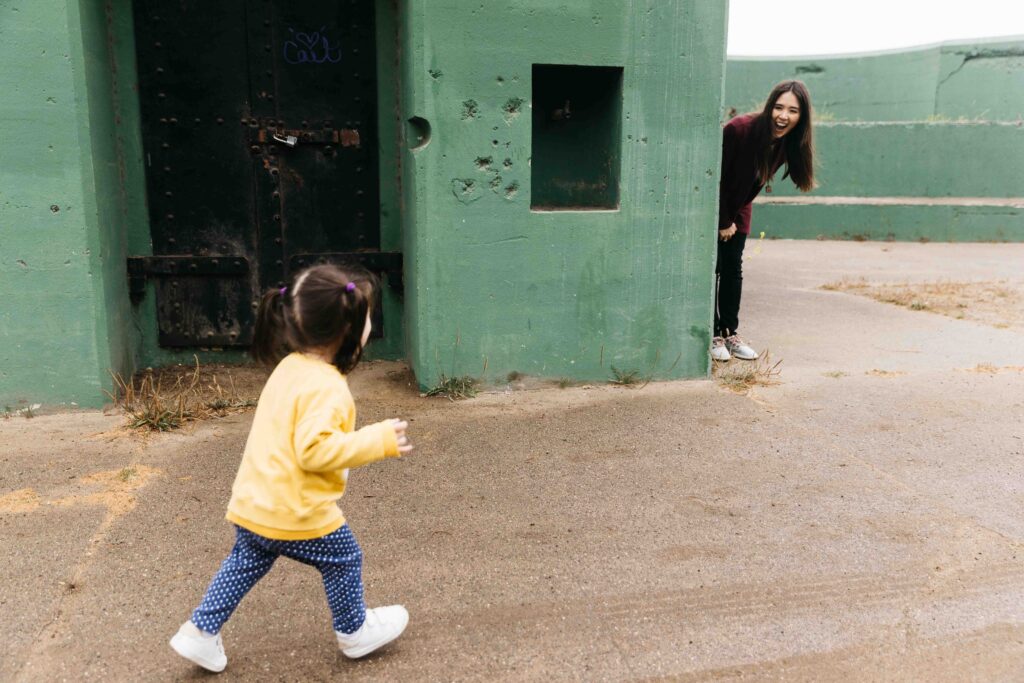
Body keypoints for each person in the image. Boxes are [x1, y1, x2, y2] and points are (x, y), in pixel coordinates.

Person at [169, 264, 414, 673]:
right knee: (344, 558)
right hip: (295, 511)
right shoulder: (327, 386)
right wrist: (377, 441)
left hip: (254, 503)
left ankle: (200, 631)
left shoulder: (289, 368)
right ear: (349, 330)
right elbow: (315, 451)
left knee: (245, 561)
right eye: (367, 316)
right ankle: (354, 630)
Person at [713, 80, 816, 361]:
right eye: (779, 107)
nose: (784, 116)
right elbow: (716, 178)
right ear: (770, 106)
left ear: (801, 117)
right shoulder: (740, 129)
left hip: (741, 206)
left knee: (733, 268)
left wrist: (735, 217)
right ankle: (712, 334)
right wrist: (723, 220)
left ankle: (730, 333)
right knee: (714, 268)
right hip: (716, 203)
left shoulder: (788, 142)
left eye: (793, 111)